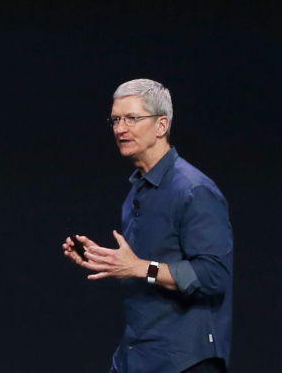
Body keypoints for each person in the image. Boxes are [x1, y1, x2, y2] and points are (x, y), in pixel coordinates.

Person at [64, 78, 233, 372]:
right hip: (137, 358)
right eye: (116, 119)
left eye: (132, 118)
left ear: (161, 126)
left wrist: (140, 268)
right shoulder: (137, 193)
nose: (120, 129)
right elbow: (140, 265)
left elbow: (214, 275)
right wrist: (108, 260)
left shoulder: (193, 190)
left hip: (184, 362)